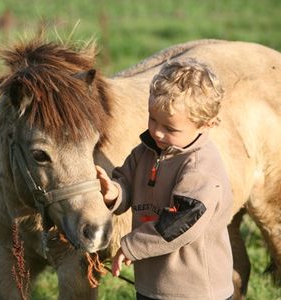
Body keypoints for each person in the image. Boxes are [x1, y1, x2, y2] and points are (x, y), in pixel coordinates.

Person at [96, 58, 234, 300]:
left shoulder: (200, 167)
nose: (157, 132)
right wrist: (115, 192)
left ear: (205, 125)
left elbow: (179, 224)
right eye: (152, 119)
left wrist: (131, 246)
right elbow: (127, 181)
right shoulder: (146, 152)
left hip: (194, 289)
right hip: (154, 284)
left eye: (170, 128)